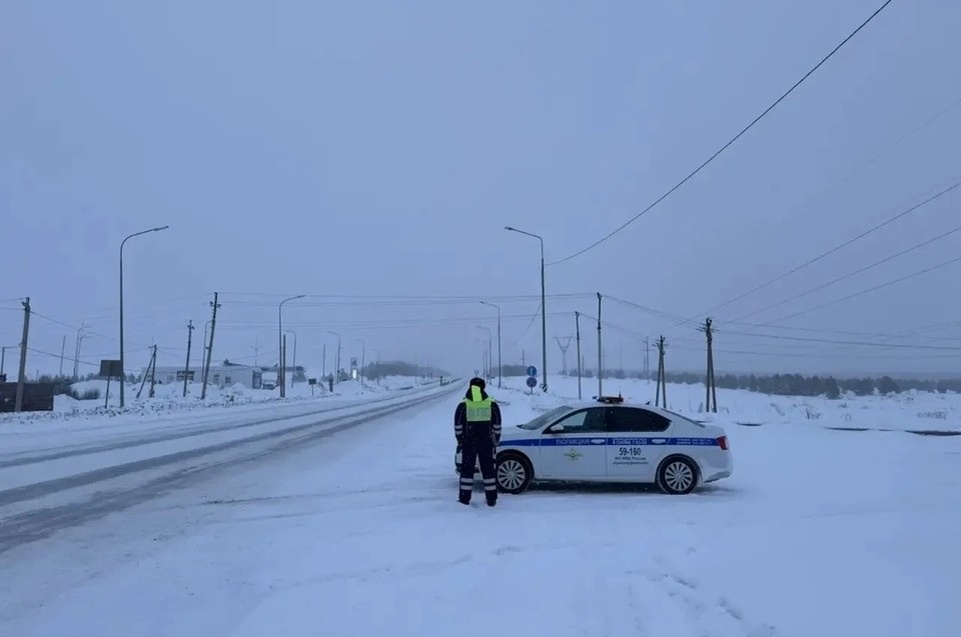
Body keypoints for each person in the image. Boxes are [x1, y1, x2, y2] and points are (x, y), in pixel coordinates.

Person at [454, 377, 502, 506]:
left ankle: (464, 499)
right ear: (484, 388)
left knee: (467, 470)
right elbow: (497, 424)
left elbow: (458, 425)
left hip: (468, 441)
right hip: (486, 440)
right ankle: (491, 499)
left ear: (470, 387)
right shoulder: (491, 404)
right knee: (488, 470)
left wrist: (460, 440)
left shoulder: (463, 405)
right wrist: (495, 440)